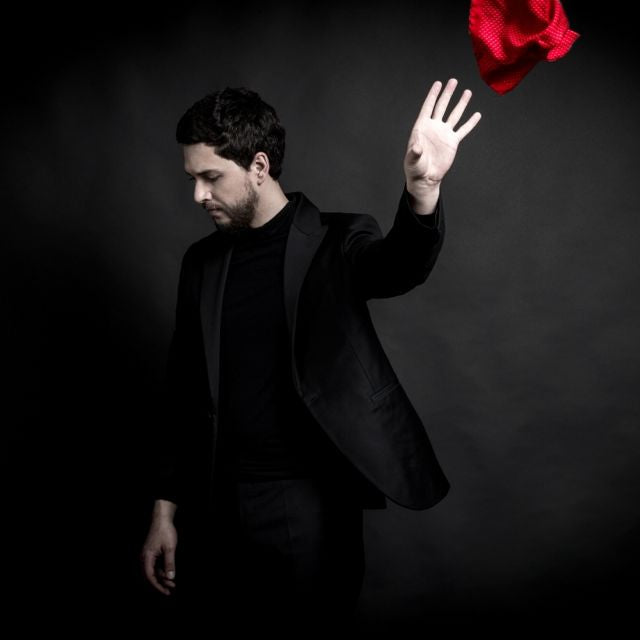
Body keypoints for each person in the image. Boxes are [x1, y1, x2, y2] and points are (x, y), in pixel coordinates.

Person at [140, 79, 481, 631]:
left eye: (211, 177)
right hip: (216, 506)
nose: (199, 195)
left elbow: (398, 266)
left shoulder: (336, 240)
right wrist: (164, 513)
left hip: (310, 507)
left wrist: (423, 191)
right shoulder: (200, 263)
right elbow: (183, 388)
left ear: (258, 166)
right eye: (192, 179)